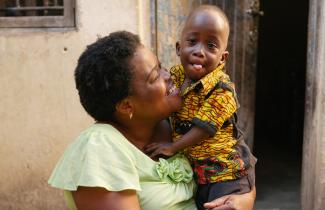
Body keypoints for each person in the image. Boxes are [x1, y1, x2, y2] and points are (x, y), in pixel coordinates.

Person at [48, 31, 256, 210]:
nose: (168, 75)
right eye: (154, 76)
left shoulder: (176, 124)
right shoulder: (98, 148)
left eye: (161, 66)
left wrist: (245, 199)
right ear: (126, 106)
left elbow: (236, 161)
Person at [145, 5, 257, 210]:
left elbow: (205, 128)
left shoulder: (222, 89)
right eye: (192, 41)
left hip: (227, 174)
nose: (199, 51)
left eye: (211, 46)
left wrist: (173, 147)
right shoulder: (176, 76)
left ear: (223, 58)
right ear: (179, 48)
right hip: (199, 173)